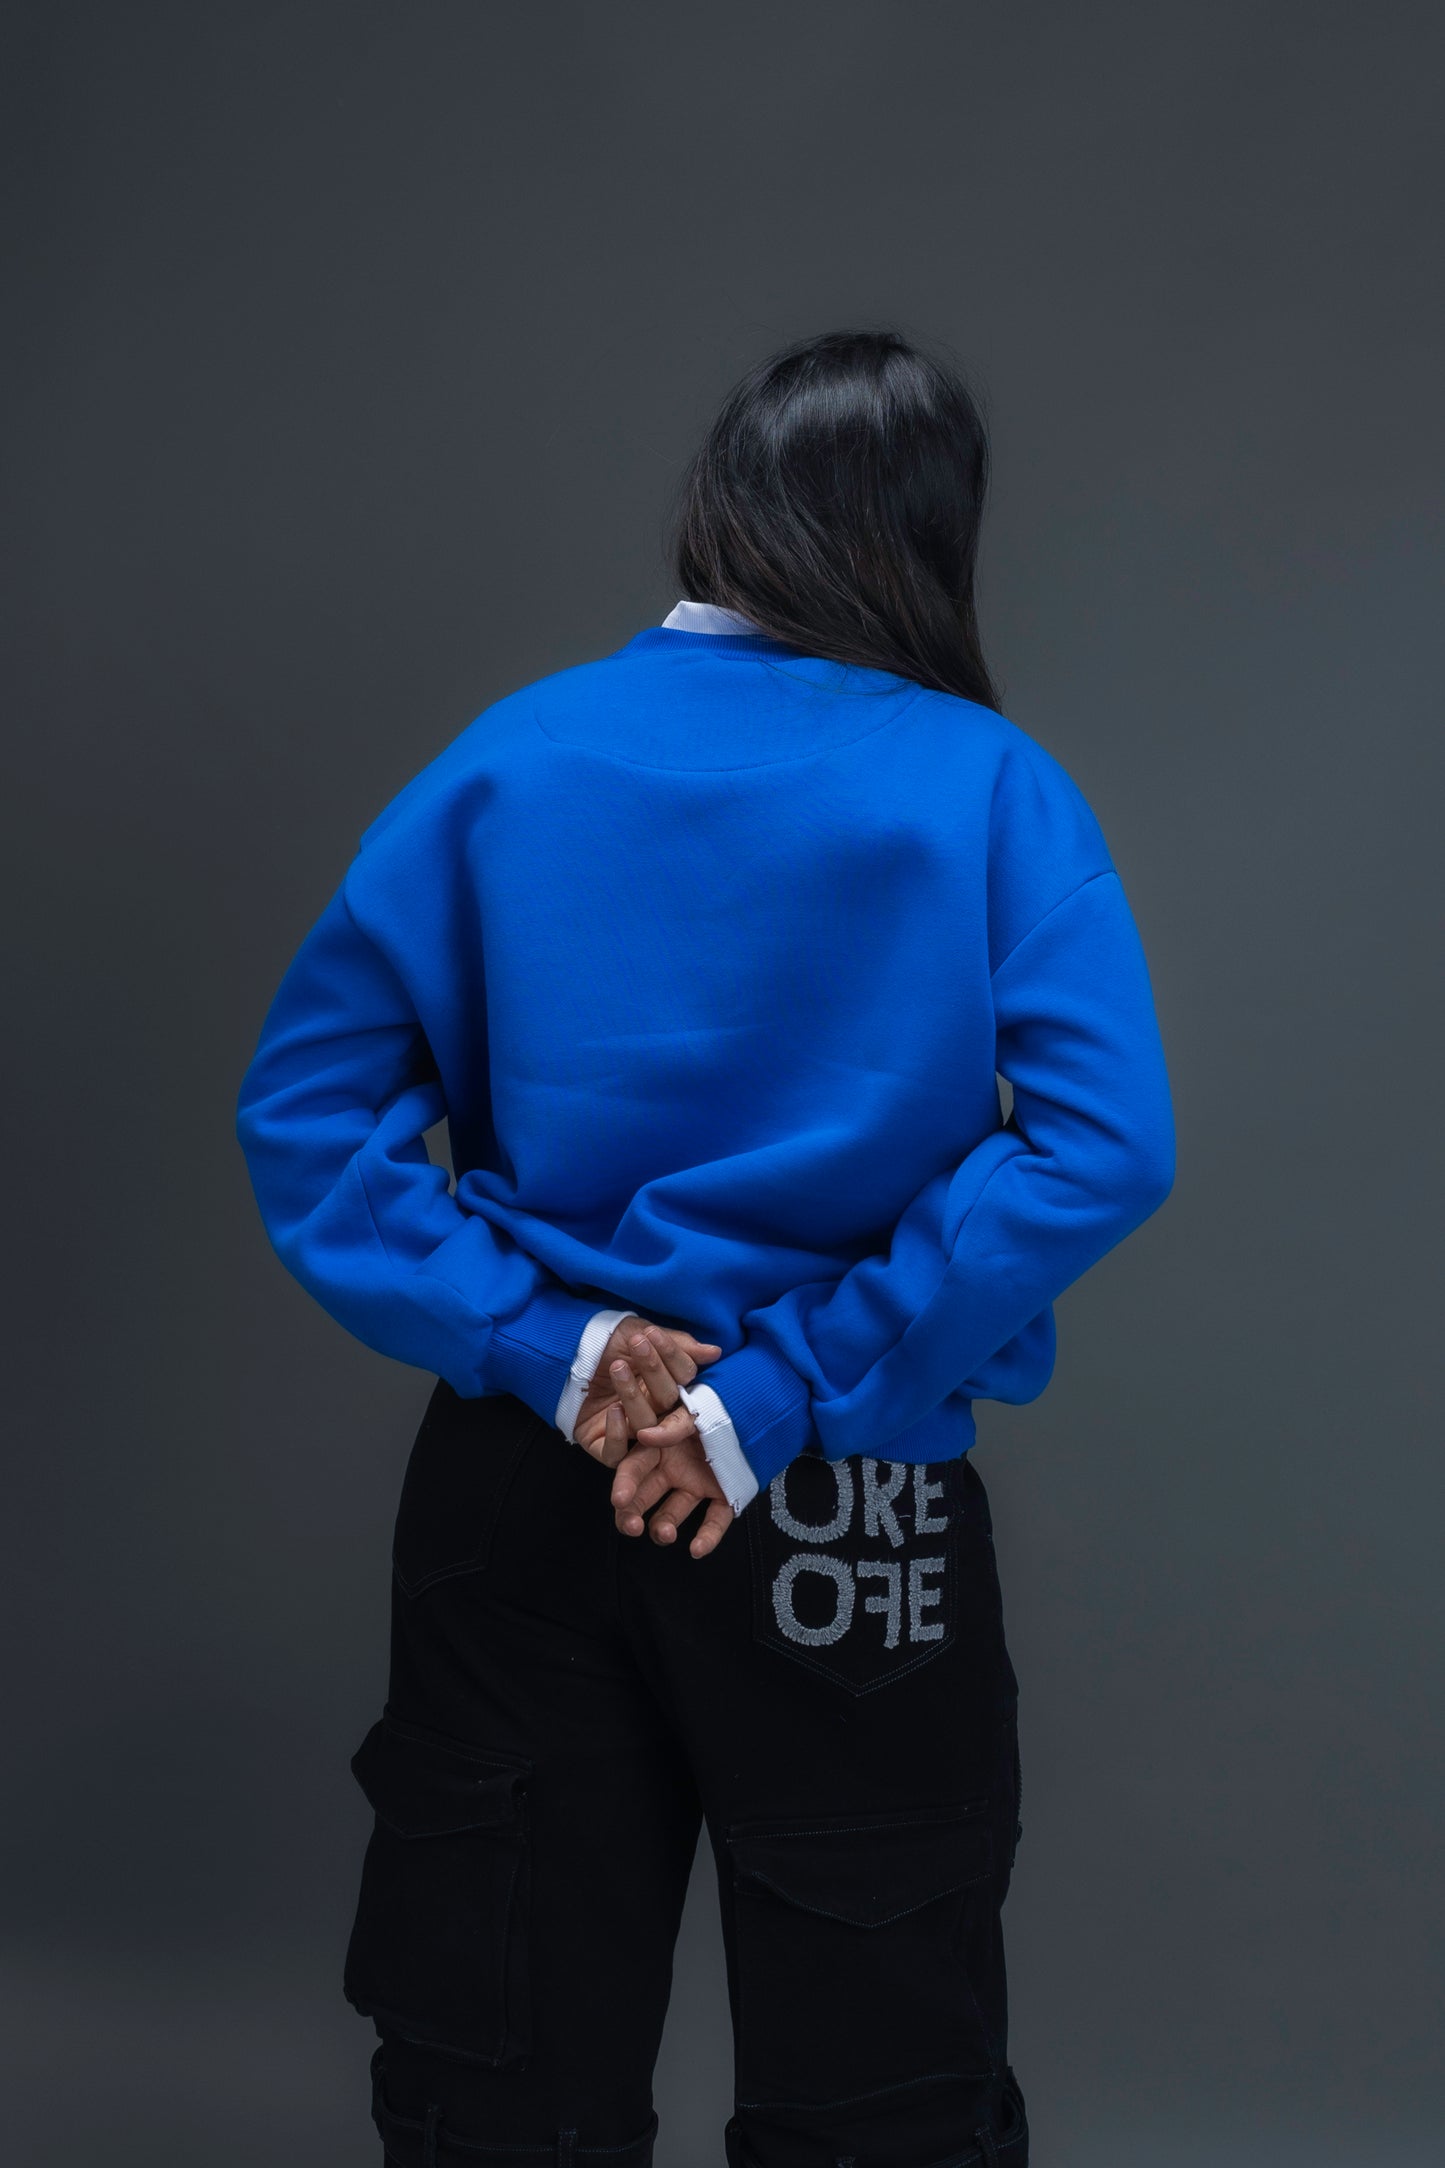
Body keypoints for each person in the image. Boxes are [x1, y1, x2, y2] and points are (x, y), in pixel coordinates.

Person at [235, 327, 1175, 2168]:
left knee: (499, 2080)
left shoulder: (505, 762)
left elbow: (306, 1114)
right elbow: (1100, 1144)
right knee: (879, 2095)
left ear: (720, 505)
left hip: (530, 1484)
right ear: (921, 538)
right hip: (842, 1508)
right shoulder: (984, 786)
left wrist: (562, 1350)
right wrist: (781, 1392)